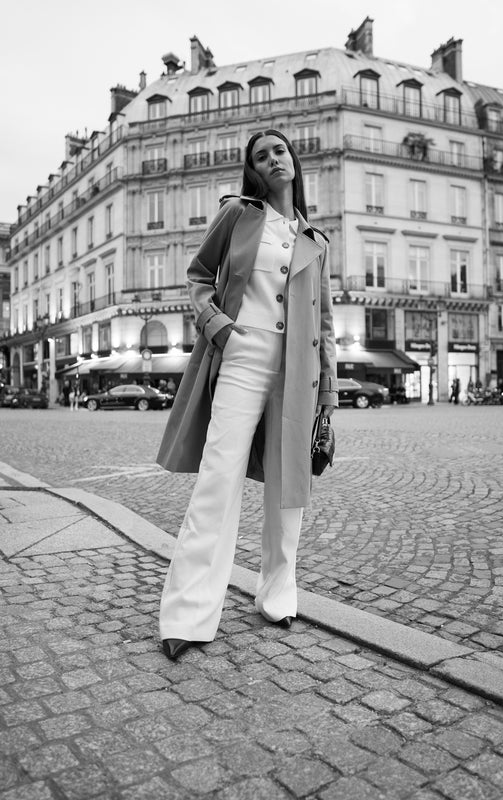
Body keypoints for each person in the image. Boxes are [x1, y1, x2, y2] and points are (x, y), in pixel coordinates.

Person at [156, 129, 338, 661]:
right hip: (240, 356)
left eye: (279, 150)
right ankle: (187, 615)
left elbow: (325, 324)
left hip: (298, 369)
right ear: (252, 170)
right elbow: (198, 276)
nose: (272, 160)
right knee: (218, 479)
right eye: (261, 157)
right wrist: (219, 328)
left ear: (293, 159)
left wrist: (328, 395)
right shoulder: (237, 214)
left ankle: (278, 595)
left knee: (288, 490)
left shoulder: (315, 240)